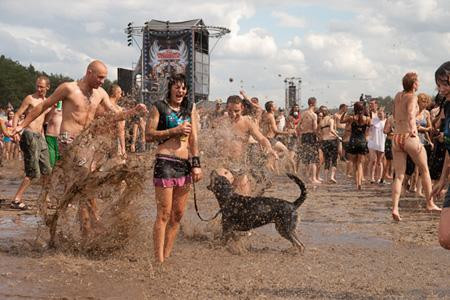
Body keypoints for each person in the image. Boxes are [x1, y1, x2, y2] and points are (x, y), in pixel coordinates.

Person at [13, 60, 147, 236]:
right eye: (99, 77)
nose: (102, 81)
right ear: (89, 72)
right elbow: (43, 106)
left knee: (82, 187)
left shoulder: (100, 94)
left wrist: (133, 111)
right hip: (68, 141)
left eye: (104, 78)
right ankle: (94, 222)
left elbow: (115, 115)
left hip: (87, 142)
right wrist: (22, 125)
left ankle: (82, 229)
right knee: (86, 181)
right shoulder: (69, 88)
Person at [146, 73, 202, 263]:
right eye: (177, 87)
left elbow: (194, 138)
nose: (181, 91)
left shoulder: (190, 108)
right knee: (164, 213)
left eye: (184, 88)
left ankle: (167, 255)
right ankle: (158, 260)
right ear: (170, 88)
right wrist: (174, 131)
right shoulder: (159, 107)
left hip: (185, 165)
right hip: (165, 162)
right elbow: (148, 135)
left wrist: (196, 164)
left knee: (177, 215)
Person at [390, 72, 440, 221]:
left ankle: (395, 208)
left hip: (396, 137)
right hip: (408, 135)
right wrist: (414, 131)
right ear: (413, 84)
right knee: (425, 170)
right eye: (417, 82)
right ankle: (429, 203)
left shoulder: (398, 95)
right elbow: (411, 115)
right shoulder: (413, 97)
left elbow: (395, 114)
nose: (419, 84)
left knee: (399, 175)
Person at [214, 95, 278, 196]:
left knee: (245, 200)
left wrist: (269, 148)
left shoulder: (247, 122)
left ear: (242, 108)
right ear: (226, 108)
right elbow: (211, 138)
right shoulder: (222, 121)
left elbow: (261, 138)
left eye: (237, 111)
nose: (233, 114)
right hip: (224, 164)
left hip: (240, 165)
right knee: (225, 193)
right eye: (230, 111)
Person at [9, 76, 53, 210]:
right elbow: (17, 114)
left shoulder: (47, 102)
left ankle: (45, 198)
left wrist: (51, 111)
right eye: (37, 86)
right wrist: (15, 131)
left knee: (47, 170)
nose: (39, 89)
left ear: (47, 87)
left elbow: (45, 122)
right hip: (29, 134)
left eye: (41, 86)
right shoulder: (30, 98)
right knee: (33, 172)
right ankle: (16, 200)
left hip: (40, 136)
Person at [430, 61, 450, 249]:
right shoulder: (448, 108)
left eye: (445, 83)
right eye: (439, 84)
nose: (441, 88)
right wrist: (442, 179)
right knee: (445, 238)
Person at [341, 101, 370, 190]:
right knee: (360, 164)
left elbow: (341, 121)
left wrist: (344, 113)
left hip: (353, 141)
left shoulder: (351, 118)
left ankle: (356, 183)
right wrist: (367, 112)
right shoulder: (367, 119)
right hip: (362, 141)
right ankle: (360, 182)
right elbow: (370, 126)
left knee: (354, 164)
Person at [260, 101, 295, 173]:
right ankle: (271, 162)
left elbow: (264, 126)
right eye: (274, 105)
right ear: (271, 108)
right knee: (285, 150)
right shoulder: (271, 116)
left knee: (272, 154)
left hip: (267, 138)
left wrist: (275, 123)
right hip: (270, 139)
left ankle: (270, 162)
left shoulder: (266, 115)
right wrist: (287, 133)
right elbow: (275, 130)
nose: (276, 106)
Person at [95, 84, 126, 158]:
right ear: (116, 93)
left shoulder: (100, 105)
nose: (121, 96)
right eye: (120, 93)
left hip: (98, 140)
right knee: (116, 166)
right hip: (113, 142)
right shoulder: (118, 109)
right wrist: (123, 149)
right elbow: (120, 130)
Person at [299, 97, 320, 184]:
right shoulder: (314, 115)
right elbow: (315, 129)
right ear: (313, 104)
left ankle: (307, 177)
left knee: (306, 159)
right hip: (311, 136)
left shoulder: (303, 114)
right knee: (313, 159)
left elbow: (299, 126)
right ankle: (314, 178)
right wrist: (319, 134)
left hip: (304, 136)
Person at [318, 106, 340, 183]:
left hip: (324, 141)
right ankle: (332, 177)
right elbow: (331, 130)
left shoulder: (321, 121)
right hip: (332, 140)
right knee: (334, 159)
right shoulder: (331, 119)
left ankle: (326, 178)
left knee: (327, 160)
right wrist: (338, 136)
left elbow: (319, 132)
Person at [367, 108, 387, 183]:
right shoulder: (374, 120)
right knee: (373, 160)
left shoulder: (386, 121)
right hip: (372, 142)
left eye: (381, 113)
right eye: (378, 113)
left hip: (381, 142)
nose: (379, 115)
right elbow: (369, 129)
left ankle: (379, 178)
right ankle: (371, 177)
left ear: (384, 114)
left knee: (379, 161)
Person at [45, 101, 63, 168]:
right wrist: (52, 108)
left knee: (59, 156)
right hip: (50, 134)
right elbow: (45, 119)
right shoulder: (50, 108)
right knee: (51, 156)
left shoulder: (66, 108)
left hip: (61, 136)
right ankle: (50, 171)